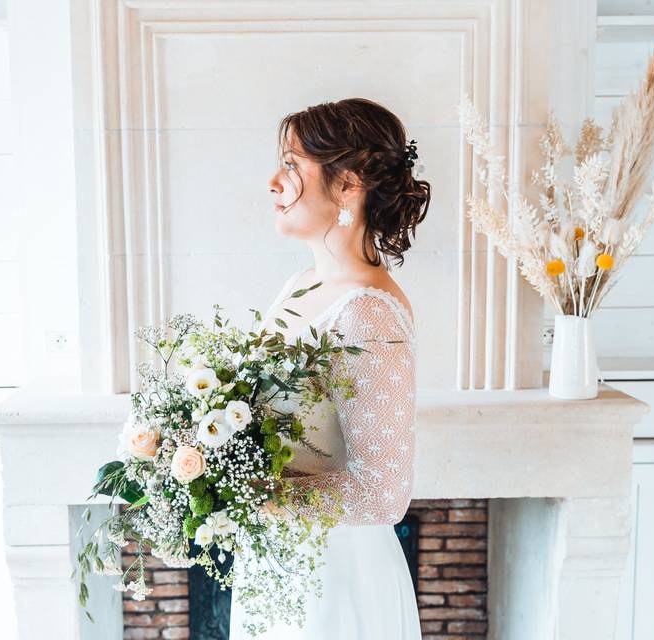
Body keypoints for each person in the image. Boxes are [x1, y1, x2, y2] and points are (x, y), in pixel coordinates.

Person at [228, 98, 431, 639]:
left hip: (334, 580)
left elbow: (384, 492)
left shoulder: (367, 311)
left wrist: (250, 492)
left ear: (348, 184)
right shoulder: (300, 286)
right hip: (278, 564)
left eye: (292, 165)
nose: (274, 181)